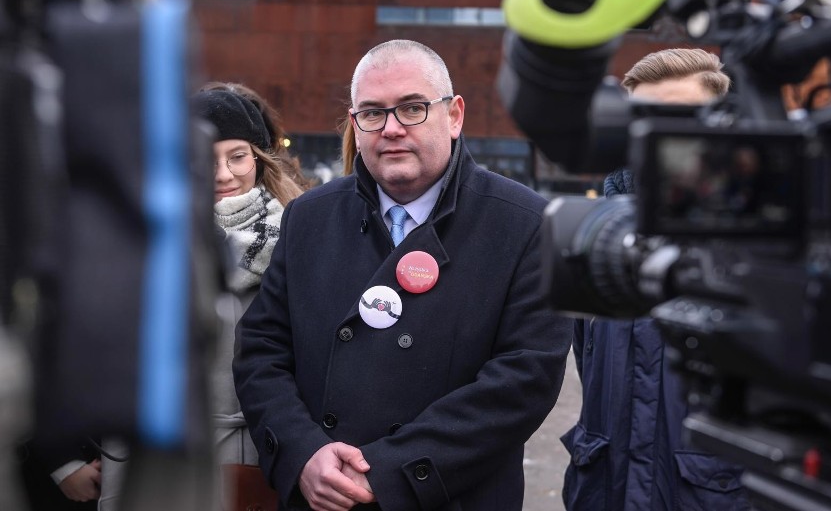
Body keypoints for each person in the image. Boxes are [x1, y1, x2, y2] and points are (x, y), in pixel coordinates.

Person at [233, 39, 572, 511]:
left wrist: (393, 472)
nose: (391, 128)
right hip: (320, 497)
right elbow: (262, 352)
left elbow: (524, 380)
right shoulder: (309, 217)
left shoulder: (525, 224)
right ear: (355, 124)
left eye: (412, 108)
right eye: (372, 113)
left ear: (454, 116)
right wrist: (303, 454)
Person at [98, 86, 306, 511]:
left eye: (237, 156)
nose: (224, 175)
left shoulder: (300, 234)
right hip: (160, 450)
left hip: (260, 449)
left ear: (259, 159)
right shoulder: (142, 236)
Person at [561, 48, 752, 511]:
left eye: (679, 119)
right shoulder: (598, 241)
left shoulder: (759, 251)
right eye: (642, 121)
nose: (656, 139)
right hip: (604, 490)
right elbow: (589, 370)